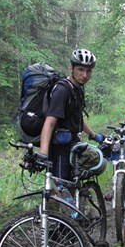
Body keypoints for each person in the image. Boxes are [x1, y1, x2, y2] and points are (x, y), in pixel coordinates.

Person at [40, 48, 104, 179]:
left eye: (88, 71)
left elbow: (78, 117)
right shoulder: (63, 90)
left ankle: (79, 195)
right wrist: (43, 153)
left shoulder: (78, 89)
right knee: (60, 189)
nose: (85, 75)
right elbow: (49, 123)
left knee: (99, 161)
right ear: (72, 68)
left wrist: (94, 135)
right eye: (81, 69)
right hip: (60, 149)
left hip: (73, 144)